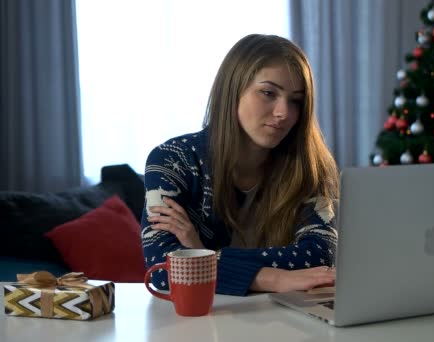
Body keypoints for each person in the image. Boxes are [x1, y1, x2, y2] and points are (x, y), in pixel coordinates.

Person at [141, 34, 340, 296]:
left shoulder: (311, 167)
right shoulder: (171, 159)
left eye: (296, 100)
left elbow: (319, 255)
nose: (284, 112)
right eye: (268, 93)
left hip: (286, 321)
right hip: (203, 323)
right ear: (232, 90)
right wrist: (272, 279)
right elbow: (162, 267)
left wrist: (201, 252)